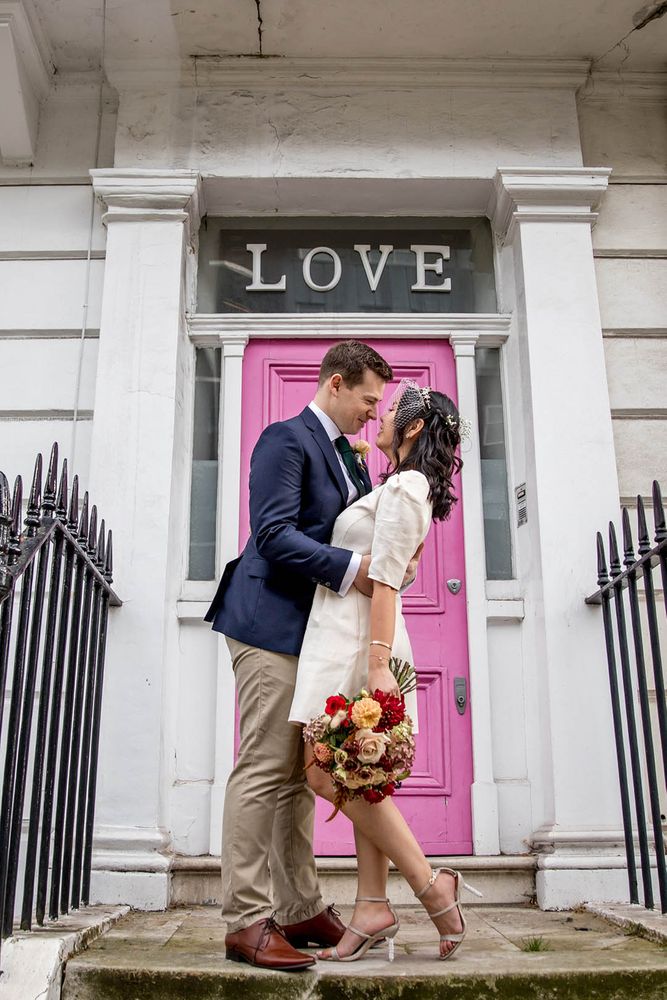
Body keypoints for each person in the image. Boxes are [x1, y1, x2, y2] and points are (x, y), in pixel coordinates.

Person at [205, 340, 398, 971]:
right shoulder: (285, 439)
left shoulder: (350, 456)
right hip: (267, 623)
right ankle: (245, 919)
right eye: (367, 399)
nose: (372, 413)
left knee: (297, 776)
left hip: (309, 635)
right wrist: (355, 569)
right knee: (265, 767)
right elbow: (273, 535)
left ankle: (299, 907)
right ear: (335, 384)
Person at [289, 379, 480, 962]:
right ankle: (372, 905)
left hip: (358, 643)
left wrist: (376, 666)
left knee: (324, 772)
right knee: (357, 775)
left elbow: (389, 581)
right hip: (343, 634)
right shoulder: (395, 484)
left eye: (392, 408)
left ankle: (430, 885)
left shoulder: (407, 486)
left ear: (415, 427)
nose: (380, 414)